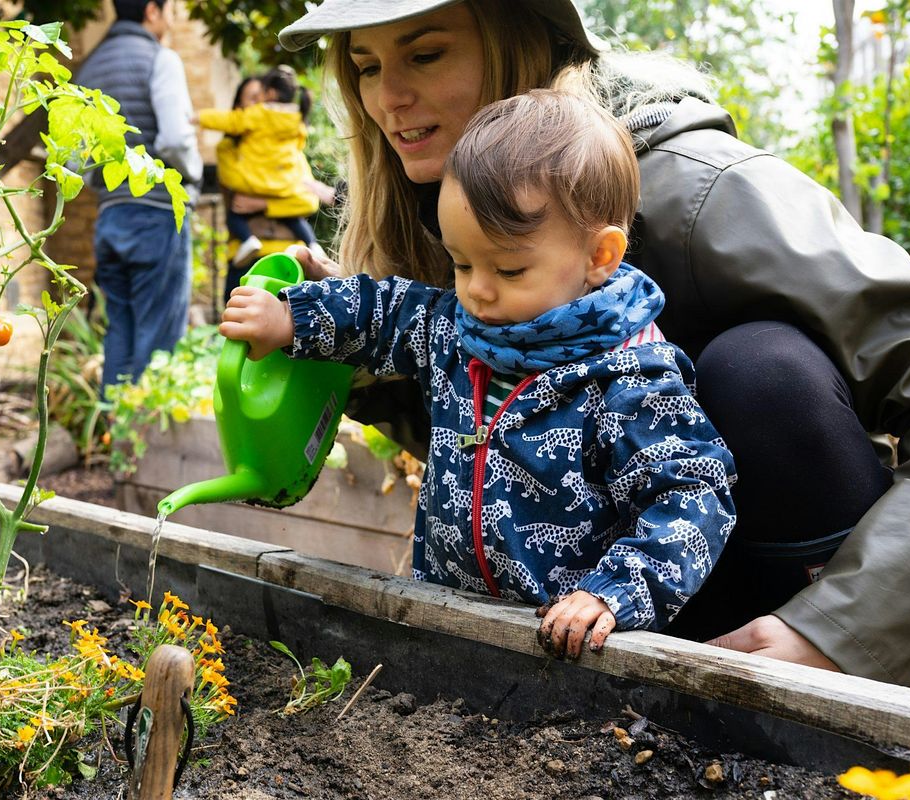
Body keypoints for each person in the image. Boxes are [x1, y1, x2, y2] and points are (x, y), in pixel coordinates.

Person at [275, 0, 910, 686]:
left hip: (762, 620)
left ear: (522, 39)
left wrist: (840, 631)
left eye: (426, 54)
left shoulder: (700, 187)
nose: (387, 97)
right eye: (365, 67)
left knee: (763, 369)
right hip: (577, 633)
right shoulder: (442, 215)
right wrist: (342, 341)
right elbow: (510, 441)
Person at [221, 90, 737, 658]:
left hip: (566, 652)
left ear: (599, 257)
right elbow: (384, 311)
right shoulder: (456, 329)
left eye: (509, 269)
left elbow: (693, 494)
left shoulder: (629, 378)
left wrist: (613, 593)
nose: (477, 290)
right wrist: (292, 318)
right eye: (461, 263)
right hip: (445, 621)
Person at [74, 0, 202, 387]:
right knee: (158, 338)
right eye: (171, 10)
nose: (173, 20)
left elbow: (74, 159)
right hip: (157, 212)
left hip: (110, 215)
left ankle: (112, 419)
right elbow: (176, 139)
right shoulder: (161, 58)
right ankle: (148, 424)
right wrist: (194, 175)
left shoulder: (88, 68)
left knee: (120, 330)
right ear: (151, 10)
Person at [198, 66, 319, 268]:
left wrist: (264, 204)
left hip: (290, 256)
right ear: (238, 108)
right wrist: (284, 198)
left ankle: (313, 244)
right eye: (254, 99)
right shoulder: (228, 149)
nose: (262, 108)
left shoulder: (289, 153)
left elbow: (309, 201)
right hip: (248, 261)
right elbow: (238, 187)